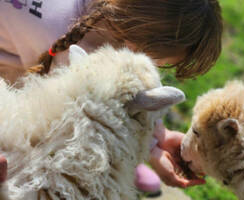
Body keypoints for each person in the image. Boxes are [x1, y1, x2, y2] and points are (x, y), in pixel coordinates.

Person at [0, 0, 222, 190]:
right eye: (159, 63)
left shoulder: (106, 14)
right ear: (138, 44)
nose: (161, 68)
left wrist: (159, 137)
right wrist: (147, 148)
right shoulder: (71, 52)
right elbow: (90, 114)